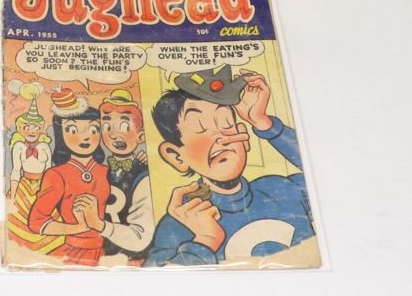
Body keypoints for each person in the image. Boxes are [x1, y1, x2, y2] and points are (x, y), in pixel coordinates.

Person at [144, 65, 316, 267]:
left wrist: (264, 123)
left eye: (226, 123)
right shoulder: (178, 224)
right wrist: (205, 241)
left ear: (244, 137)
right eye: (199, 126)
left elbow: (325, 174)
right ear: (176, 156)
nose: (220, 137)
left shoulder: (282, 189)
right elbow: (156, 281)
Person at [28, 88, 110, 266]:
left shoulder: (107, 171)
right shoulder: (56, 175)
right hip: (75, 253)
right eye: (73, 130)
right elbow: (36, 222)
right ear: (61, 134)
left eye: (93, 129)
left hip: (110, 252)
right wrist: (78, 228)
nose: (85, 137)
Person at [94, 90, 153, 261]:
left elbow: (141, 235)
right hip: (101, 257)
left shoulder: (143, 175)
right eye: (107, 127)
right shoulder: (100, 171)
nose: (114, 134)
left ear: (141, 136)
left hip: (134, 258)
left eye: (124, 126)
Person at [6, 83, 62, 255]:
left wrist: (49, 191)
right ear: (21, 129)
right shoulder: (18, 147)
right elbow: (16, 171)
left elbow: (49, 170)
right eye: (27, 127)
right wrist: (13, 195)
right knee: (19, 218)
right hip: (23, 186)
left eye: (36, 127)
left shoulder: (44, 147)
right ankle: (21, 251)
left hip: (42, 185)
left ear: (41, 129)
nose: (32, 131)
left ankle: (46, 250)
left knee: (45, 215)